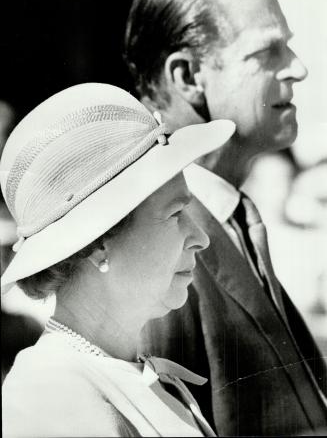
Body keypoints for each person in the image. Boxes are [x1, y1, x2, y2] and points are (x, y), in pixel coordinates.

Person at [124, 0, 327, 436]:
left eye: (290, 48)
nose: (296, 69)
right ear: (189, 77)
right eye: (267, 53)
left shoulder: (225, 212)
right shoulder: (157, 241)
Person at [1, 83, 235, 437]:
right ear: (98, 244)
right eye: (175, 214)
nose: (200, 239)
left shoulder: (132, 374)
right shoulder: (51, 392)